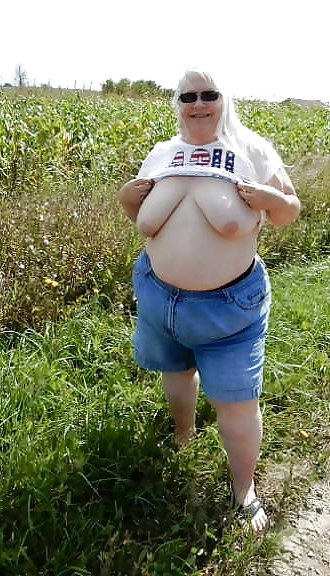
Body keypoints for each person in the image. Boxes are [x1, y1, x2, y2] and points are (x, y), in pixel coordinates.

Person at [118, 67, 300, 536]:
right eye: (188, 96)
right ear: (177, 104)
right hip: (160, 297)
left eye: (208, 94)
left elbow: (289, 212)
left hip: (229, 307)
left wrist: (268, 197)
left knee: (236, 403)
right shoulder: (162, 153)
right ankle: (184, 436)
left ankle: (244, 493)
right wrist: (126, 198)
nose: (198, 104)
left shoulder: (250, 150)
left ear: (224, 98)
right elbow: (141, 217)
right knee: (176, 372)